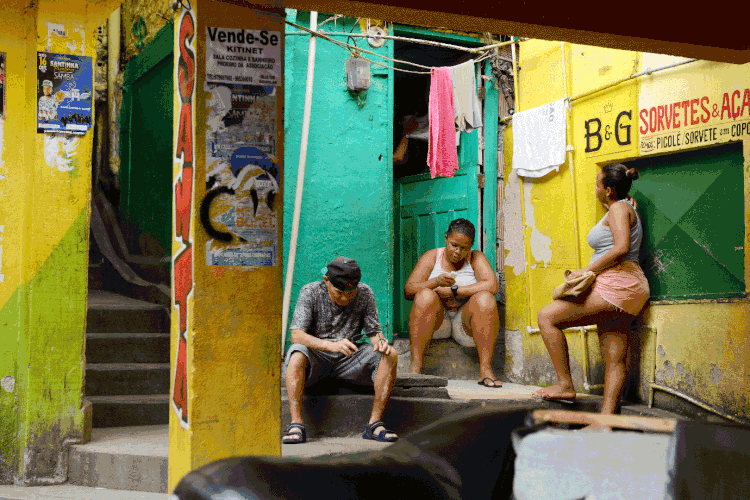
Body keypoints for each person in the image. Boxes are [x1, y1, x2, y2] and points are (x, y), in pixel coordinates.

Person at [532, 164, 650, 414]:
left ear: (608, 190)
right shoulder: (624, 207)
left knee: (547, 317)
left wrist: (588, 271)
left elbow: (620, 248)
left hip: (617, 283)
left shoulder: (619, 208)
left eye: (597, 183)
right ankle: (606, 421)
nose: (594, 187)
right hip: (630, 289)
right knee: (614, 356)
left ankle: (565, 385)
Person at [283, 257, 399, 444]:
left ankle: (374, 424)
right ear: (326, 280)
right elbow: (296, 335)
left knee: (390, 354)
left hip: (350, 359)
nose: (345, 298)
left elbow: (374, 332)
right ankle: (296, 424)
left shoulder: (365, 293)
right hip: (317, 358)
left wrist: (381, 342)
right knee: (297, 352)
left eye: (350, 293)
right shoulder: (310, 291)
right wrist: (331, 345)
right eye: (339, 292)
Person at [404, 218, 501, 387]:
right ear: (446, 238)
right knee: (425, 296)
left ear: (470, 246)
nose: (457, 252)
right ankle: (415, 367)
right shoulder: (433, 256)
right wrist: (436, 282)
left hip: (464, 326)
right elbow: (409, 289)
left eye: (464, 248)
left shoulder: (476, 257)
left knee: (486, 298)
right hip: (437, 324)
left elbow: (492, 285)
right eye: (454, 245)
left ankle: (485, 369)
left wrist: (453, 291)